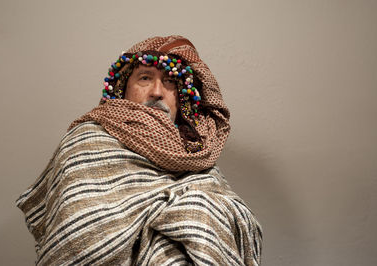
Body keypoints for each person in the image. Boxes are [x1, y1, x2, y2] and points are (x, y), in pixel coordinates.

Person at [16, 35, 263, 265]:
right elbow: (78, 233)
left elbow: (242, 226)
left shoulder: (195, 153)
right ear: (123, 88)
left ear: (183, 98)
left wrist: (195, 208)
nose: (157, 92)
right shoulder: (87, 140)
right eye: (145, 78)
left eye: (170, 81)